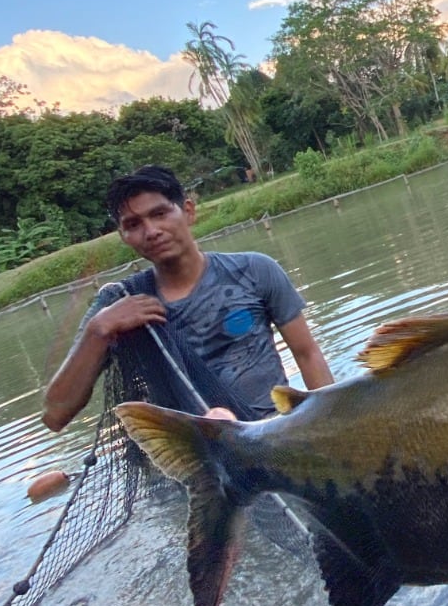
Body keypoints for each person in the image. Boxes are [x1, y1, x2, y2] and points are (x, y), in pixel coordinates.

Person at [43, 166, 332, 431]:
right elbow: (55, 415)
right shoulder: (118, 305)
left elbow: (307, 353)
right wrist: (98, 330)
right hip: (190, 457)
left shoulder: (254, 271)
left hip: (273, 437)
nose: (151, 231)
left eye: (160, 214)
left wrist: (330, 426)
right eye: (133, 224)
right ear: (124, 236)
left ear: (188, 211)